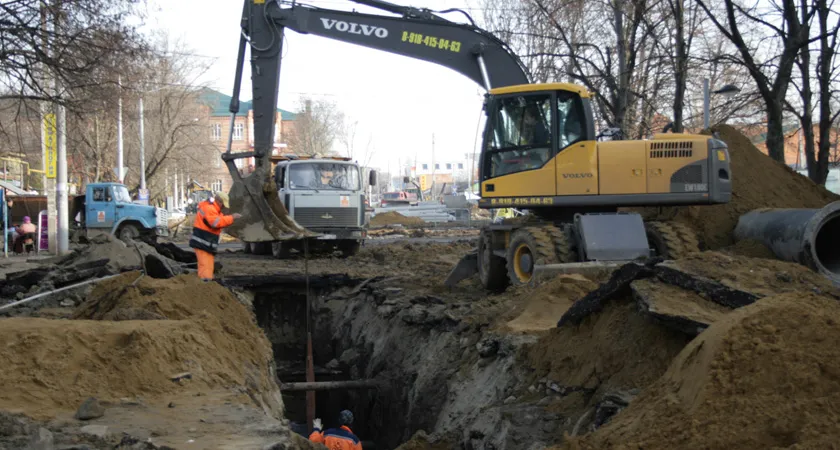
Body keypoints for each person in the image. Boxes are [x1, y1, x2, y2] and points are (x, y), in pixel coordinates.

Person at [188, 191, 241, 281]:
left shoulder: (213, 210)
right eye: (223, 205)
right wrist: (232, 217)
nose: (224, 207)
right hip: (203, 243)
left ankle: (207, 284)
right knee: (205, 265)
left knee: (208, 266)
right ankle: (205, 285)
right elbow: (215, 223)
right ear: (219, 202)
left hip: (206, 244)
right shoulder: (210, 209)